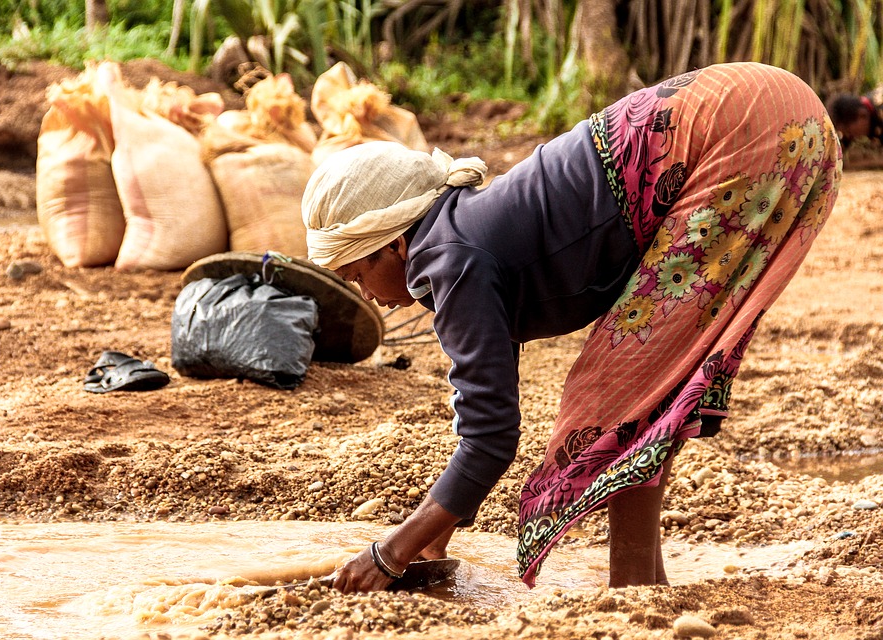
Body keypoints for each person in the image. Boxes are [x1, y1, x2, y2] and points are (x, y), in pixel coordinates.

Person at [301, 62, 842, 593]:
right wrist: (435, 529)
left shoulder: (449, 258)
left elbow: (491, 437)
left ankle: (631, 590)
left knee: (620, 393)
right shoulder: (467, 234)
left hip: (739, 130)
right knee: (651, 386)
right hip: (773, 112)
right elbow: (483, 407)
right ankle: (643, 584)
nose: (370, 296)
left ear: (395, 243)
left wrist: (389, 552)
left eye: (358, 274)